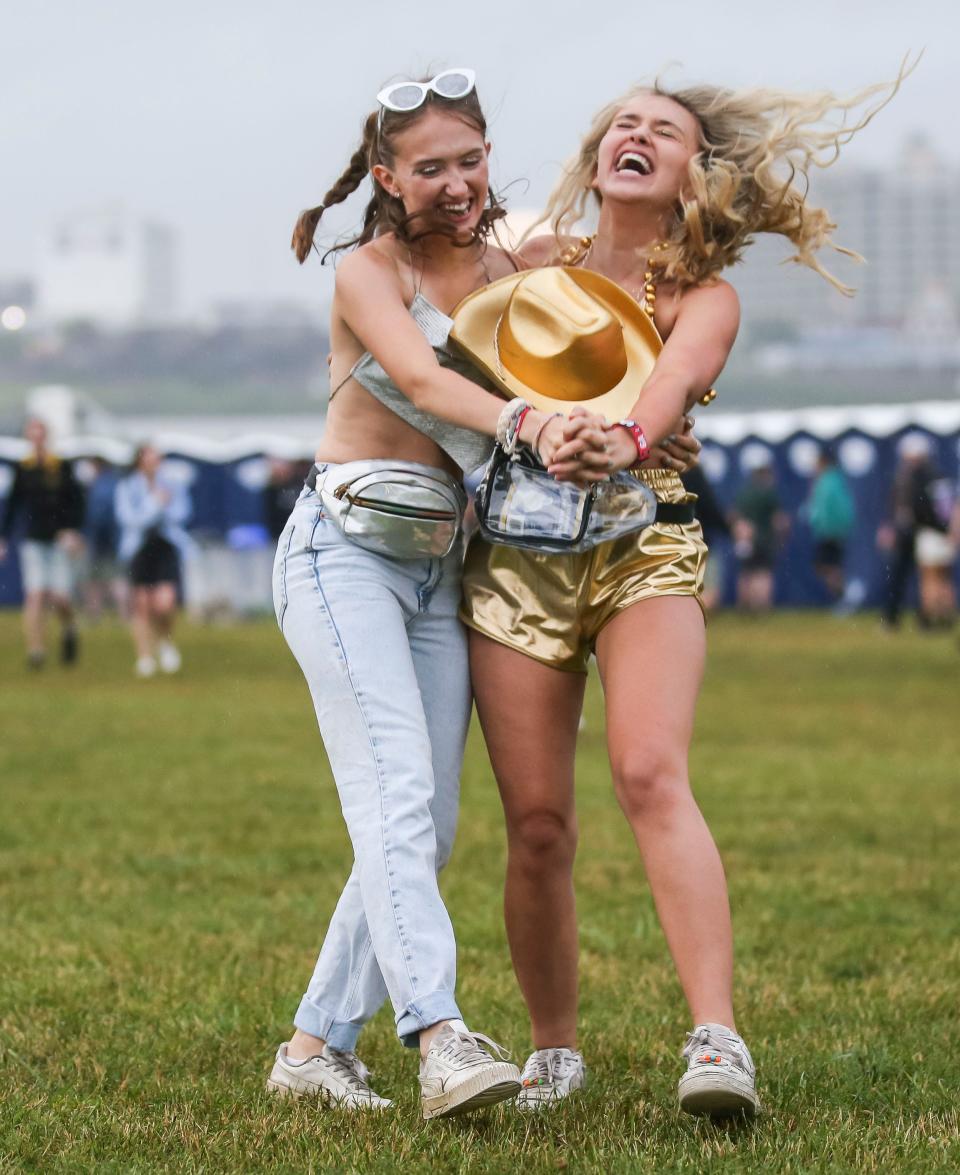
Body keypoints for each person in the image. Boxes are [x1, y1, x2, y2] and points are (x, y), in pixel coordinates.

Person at [452, 66, 907, 1117]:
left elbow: (667, 384)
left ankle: (717, 1039)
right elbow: (455, 354)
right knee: (536, 823)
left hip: (644, 539)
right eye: (624, 123)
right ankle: (552, 1054)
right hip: (518, 550)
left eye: (665, 130)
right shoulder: (528, 261)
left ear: (695, 174)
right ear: (599, 156)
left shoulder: (706, 296)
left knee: (651, 771)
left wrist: (622, 436)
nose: (638, 135)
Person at [266, 69, 622, 1120]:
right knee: (396, 797)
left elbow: (627, 282)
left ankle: (312, 1048)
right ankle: (437, 1032)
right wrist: (530, 420)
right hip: (342, 556)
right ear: (387, 176)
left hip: (440, 568)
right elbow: (423, 384)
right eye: (430, 168)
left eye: (470, 160)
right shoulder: (369, 273)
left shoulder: (522, 258)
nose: (458, 184)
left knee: (428, 821)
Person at [0, 417, 84, 669]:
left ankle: (69, 628)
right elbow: (14, 505)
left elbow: (76, 501)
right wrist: (3, 537)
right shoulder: (23, 468)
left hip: (58, 538)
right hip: (33, 539)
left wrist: (72, 530)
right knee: (35, 594)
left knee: (59, 597)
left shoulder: (60, 466)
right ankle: (36, 650)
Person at [115, 444, 192, 677]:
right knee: (142, 605)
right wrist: (156, 504)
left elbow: (182, 513)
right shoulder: (128, 486)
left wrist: (160, 507)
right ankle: (145, 656)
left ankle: (165, 642)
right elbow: (129, 519)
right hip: (139, 548)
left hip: (165, 546)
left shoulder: (171, 484)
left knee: (165, 603)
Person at [731, 451, 789, 613]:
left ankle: (743, 606)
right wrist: (783, 535)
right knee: (763, 573)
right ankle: (761, 607)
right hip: (763, 539)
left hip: (745, 539)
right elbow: (779, 520)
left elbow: (733, 516)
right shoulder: (769, 493)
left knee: (745, 572)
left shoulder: (744, 493)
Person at [806, 446, 855, 603]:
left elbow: (824, 508)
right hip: (833, 530)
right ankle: (842, 597)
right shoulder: (834, 479)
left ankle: (844, 597)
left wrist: (823, 525)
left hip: (829, 531)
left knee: (827, 566)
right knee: (830, 566)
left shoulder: (827, 481)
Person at [81, 456, 126, 620]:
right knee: (113, 578)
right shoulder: (114, 482)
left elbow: (98, 516)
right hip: (113, 539)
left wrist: (88, 537)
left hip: (102, 540)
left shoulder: (101, 485)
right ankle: (119, 614)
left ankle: (96, 613)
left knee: (100, 579)